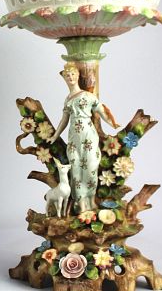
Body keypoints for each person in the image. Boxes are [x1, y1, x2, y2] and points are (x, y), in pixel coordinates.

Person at [48, 64, 119, 213]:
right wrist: (55, 135)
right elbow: (64, 119)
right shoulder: (68, 99)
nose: (70, 77)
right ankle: (81, 204)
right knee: (76, 169)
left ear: (78, 75)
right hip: (74, 138)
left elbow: (101, 110)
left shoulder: (88, 96)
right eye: (67, 75)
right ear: (64, 78)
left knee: (91, 166)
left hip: (88, 136)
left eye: (73, 74)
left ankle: (91, 200)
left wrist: (113, 123)